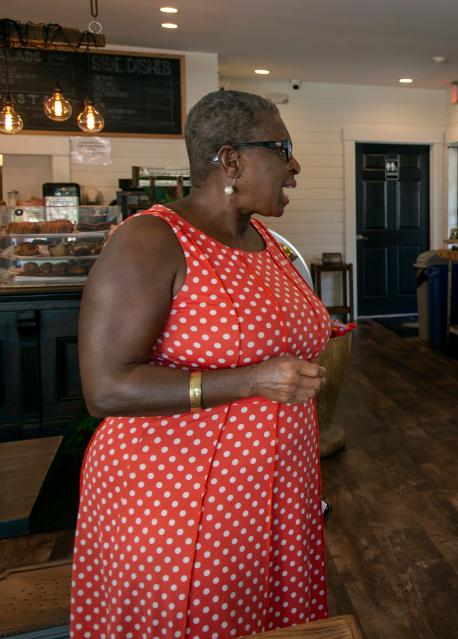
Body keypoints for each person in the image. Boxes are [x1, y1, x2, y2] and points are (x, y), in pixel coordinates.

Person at [71, 90, 333, 638]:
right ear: (231, 160)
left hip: (276, 491)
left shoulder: (264, 240)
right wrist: (252, 380)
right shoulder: (151, 239)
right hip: (180, 498)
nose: (294, 165)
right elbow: (107, 387)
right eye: (282, 148)